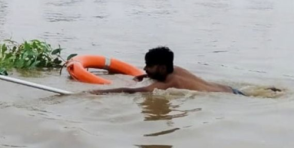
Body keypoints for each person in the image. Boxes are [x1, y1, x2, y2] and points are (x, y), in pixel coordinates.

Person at [89, 46, 247, 96]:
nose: (145, 68)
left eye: (149, 66)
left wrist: (99, 92)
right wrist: (140, 77)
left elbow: (132, 91)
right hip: (231, 90)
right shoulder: (175, 69)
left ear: (162, 68)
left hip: (228, 97)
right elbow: (147, 76)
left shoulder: (168, 83)